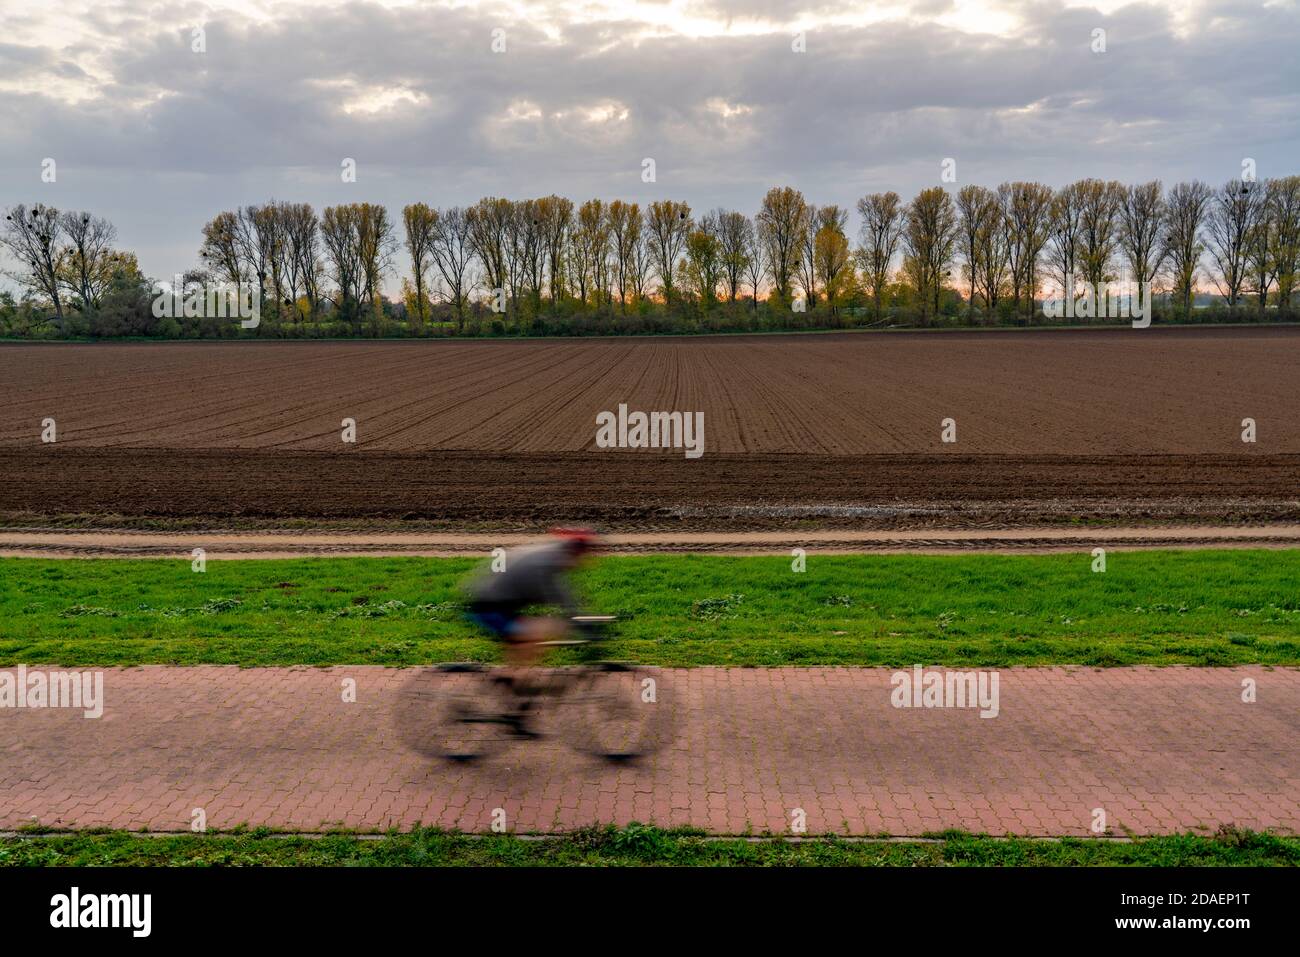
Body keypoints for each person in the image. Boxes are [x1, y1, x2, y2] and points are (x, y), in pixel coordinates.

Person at [465, 528, 601, 671]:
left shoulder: (550, 555)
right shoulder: (548, 562)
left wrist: (574, 613)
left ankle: (511, 678)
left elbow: (558, 591)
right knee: (547, 629)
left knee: (526, 638)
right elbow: (553, 593)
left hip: (495, 602)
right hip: (491, 607)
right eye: (585, 555)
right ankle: (513, 680)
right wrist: (576, 618)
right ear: (576, 552)